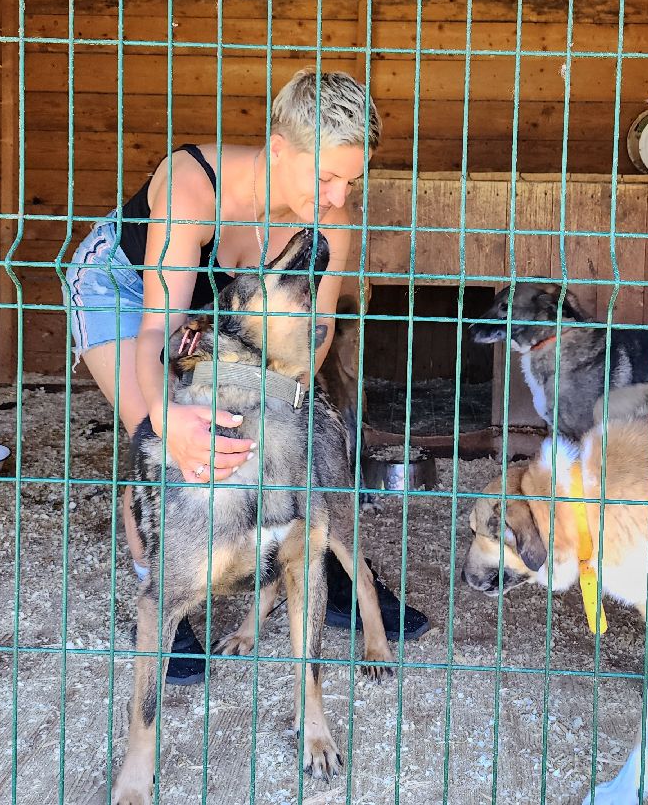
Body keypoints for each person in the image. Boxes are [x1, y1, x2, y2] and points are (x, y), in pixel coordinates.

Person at [63, 68, 429, 684]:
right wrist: (167, 417)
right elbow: (159, 331)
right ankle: (164, 603)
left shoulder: (328, 220)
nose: (340, 197)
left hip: (222, 314)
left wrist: (272, 412)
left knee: (279, 440)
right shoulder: (192, 188)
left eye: (352, 180)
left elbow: (315, 336)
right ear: (279, 149)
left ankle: (325, 567)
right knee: (158, 447)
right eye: (328, 176)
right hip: (124, 290)